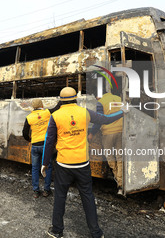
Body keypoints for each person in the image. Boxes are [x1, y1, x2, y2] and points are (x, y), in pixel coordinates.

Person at [41, 87, 128, 238]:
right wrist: (122, 112)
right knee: (87, 196)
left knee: (60, 197)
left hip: (63, 165)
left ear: (61, 101)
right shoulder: (85, 112)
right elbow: (106, 119)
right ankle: (96, 233)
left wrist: (45, 163)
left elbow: (49, 142)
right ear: (76, 98)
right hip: (82, 164)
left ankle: (56, 231)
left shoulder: (55, 116)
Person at [88, 91, 123, 195]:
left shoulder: (101, 102)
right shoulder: (119, 98)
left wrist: (92, 133)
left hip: (108, 133)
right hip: (121, 131)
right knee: (120, 158)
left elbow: (99, 120)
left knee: (111, 159)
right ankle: (121, 183)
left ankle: (119, 183)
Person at [22, 99, 53, 198]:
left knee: (35, 168)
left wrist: (30, 140)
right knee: (47, 167)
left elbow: (24, 133)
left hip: (35, 145)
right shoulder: (47, 113)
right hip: (46, 145)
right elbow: (57, 107)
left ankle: (36, 191)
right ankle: (46, 191)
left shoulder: (29, 117)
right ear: (41, 105)